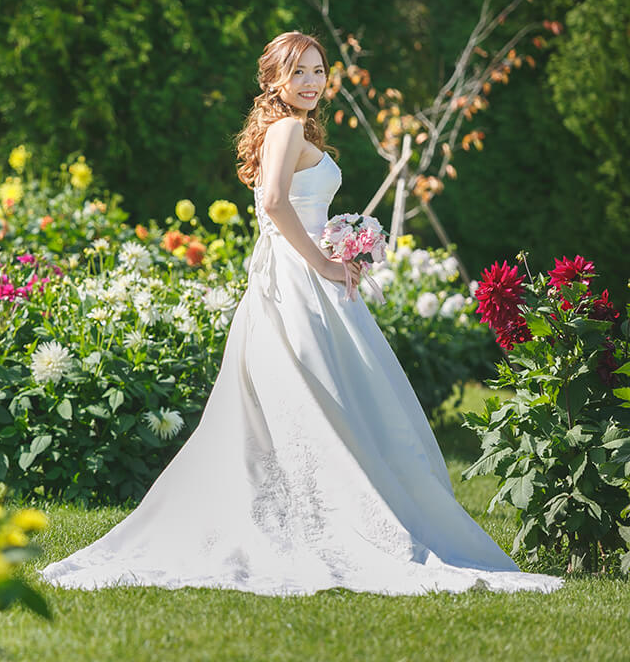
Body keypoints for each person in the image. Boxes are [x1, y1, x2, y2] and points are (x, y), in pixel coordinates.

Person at [38, 31, 563, 595]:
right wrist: (324, 262)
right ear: (273, 81)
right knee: (323, 396)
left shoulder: (284, 128)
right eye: (300, 72)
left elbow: (283, 207)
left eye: (319, 70)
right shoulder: (286, 128)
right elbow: (273, 204)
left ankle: (305, 507)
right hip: (298, 281)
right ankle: (335, 516)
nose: (313, 82)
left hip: (291, 276)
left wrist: (342, 245)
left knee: (313, 400)